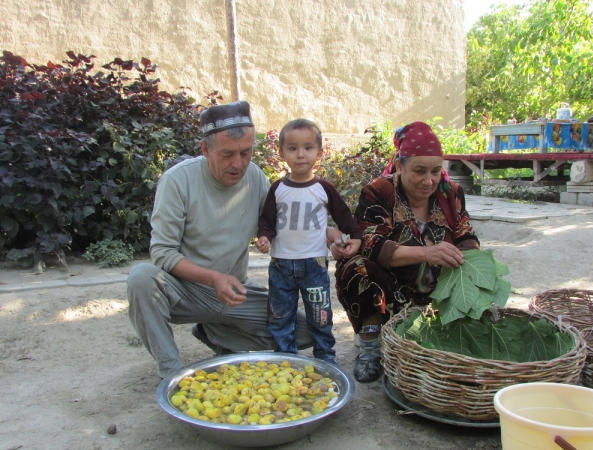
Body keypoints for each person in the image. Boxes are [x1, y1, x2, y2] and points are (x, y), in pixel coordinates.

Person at [127, 102, 334, 378]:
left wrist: (331, 234)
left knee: (307, 329)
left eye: (246, 152)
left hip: (235, 294)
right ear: (205, 150)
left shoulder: (256, 178)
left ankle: (216, 333)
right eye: (227, 154)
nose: (238, 164)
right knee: (141, 278)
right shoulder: (177, 181)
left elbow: (283, 225)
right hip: (188, 291)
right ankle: (171, 373)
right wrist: (213, 279)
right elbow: (162, 253)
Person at [331, 121, 480, 383]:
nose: (429, 180)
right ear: (400, 166)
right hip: (392, 292)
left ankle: (433, 332)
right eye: (419, 171)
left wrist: (466, 257)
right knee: (356, 267)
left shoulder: (451, 193)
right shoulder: (380, 191)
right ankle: (370, 346)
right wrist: (426, 253)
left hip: (438, 293)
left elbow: (466, 236)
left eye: (436, 171)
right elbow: (370, 243)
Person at [256, 118, 362, 364]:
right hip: (281, 265)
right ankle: (286, 357)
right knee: (280, 315)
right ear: (282, 153)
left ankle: (325, 356)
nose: (300, 154)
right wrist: (264, 237)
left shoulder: (324, 188)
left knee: (320, 314)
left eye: (307, 148)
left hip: (314, 265)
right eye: (292, 148)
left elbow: (345, 216)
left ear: (319, 152)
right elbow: (267, 220)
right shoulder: (277, 189)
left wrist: (355, 237)